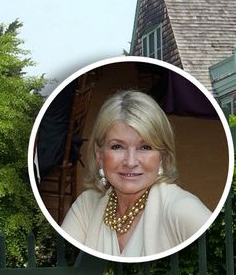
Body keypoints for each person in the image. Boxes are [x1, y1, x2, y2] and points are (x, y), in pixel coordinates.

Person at [61, 90, 211, 257]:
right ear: (99, 155)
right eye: (117, 146)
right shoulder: (86, 206)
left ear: (162, 156)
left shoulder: (184, 210)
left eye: (145, 147)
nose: (130, 162)